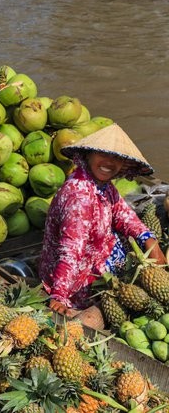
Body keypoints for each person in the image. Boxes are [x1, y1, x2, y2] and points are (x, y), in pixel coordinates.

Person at [39, 123, 167, 317]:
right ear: (88, 154)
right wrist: (59, 295)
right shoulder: (79, 197)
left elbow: (125, 215)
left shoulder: (103, 186)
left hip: (99, 259)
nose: (110, 162)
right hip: (74, 280)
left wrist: (151, 242)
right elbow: (71, 251)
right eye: (104, 155)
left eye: (117, 158)